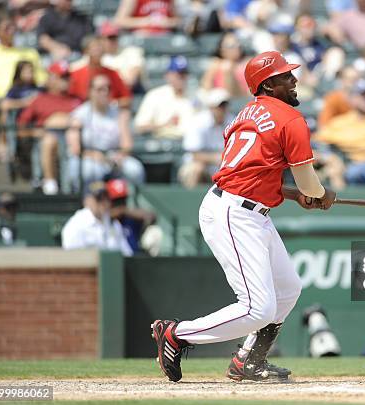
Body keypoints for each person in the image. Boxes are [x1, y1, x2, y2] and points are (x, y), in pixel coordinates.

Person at [151, 51, 336, 383]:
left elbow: (253, 172)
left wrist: (295, 194)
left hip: (244, 207)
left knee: (288, 288)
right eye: (285, 76)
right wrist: (321, 194)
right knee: (258, 308)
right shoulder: (290, 119)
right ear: (268, 84)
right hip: (234, 213)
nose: (294, 80)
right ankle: (177, 334)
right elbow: (309, 181)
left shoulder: (244, 113)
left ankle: (248, 360)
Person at [66, 74, 145, 190]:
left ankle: (128, 204)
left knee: (134, 169)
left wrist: (120, 156)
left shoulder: (118, 113)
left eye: (108, 88)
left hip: (113, 155)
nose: (105, 92)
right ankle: (89, 204)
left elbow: (127, 145)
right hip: (88, 157)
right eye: (100, 89)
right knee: (91, 171)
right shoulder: (80, 114)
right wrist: (96, 156)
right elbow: (75, 149)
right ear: (90, 91)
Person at [17, 60, 81, 195]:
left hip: (74, 143)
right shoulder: (40, 99)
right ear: (51, 79)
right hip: (47, 141)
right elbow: (20, 127)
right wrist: (35, 132)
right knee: (49, 139)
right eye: (62, 77)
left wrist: (61, 120)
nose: (66, 81)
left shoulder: (76, 100)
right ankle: (50, 182)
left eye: (67, 77)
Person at [61, 181, 133, 256]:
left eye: (107, 198)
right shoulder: (77, 224)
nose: (104, 202)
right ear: (87, 201)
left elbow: (127, 254)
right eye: (99, 199)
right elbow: (73, 258)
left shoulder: (114, 224)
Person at [179, 88, 232, 188]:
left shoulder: (233, 121)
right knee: (196, 169)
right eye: (219, 106)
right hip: (202, 167)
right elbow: (195, 155)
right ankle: (190, 201)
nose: (222, 109)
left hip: (223, 168)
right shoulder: (198, 122)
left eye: (224, 105)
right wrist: (217, 158)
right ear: (211, 107)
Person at [134, 55, 196, 139]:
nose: (181, 78)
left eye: (184, 74)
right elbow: (139, 126)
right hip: (162, 142)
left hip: (191, 143)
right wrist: (164, 125)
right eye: (177, 74)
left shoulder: (196, 95)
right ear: (168, 75)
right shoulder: (155, 95)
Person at [0, 12, 46, 99]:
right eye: (7, 28)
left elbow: (41, 79)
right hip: (1, 100)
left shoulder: (30, 53)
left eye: (13, 27)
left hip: (28, 96)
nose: (11, 31)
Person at [106, 178, 161, 256]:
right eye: (116, 201)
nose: (120, 203)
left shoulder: (129, 216)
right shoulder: (103, 218)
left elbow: (152, 216)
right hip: (112, 259)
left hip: (133, 258)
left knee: (154, 231)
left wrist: (124, 211)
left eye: (122, 199)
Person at [98, 21, 145, 93]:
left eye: (115, 37)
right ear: (101, 39)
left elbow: (130, 81)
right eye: (109, 37)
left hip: (131, 94)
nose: (112, 41)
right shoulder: (97, 57)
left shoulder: (131, 52)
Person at [200, 31, 250, 97]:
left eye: (237, 44)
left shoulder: (247, 63)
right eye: (230, 46)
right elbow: (206, 87)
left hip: (243, 99)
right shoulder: (215, 64)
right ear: (221, 49)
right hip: (221, 102)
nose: (236, 48)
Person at [114, 0, 180, 36]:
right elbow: (119, 21)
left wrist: (167, 22)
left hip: (165, 36)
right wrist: (146, 21)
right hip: (141, 37)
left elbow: (178, 20)